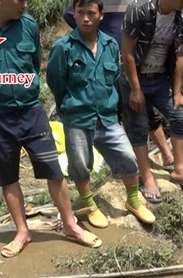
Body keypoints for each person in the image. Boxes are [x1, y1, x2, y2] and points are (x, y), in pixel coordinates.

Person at [0, 0, 102, 258]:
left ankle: (70, 225)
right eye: (20, 0)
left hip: (30, 110)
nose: (25, 4)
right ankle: (22, 231)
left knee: (53, 171)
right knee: (8, 176)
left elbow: (34, 66)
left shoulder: (28, 25)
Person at [47, 0, 156, 226]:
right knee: (80, 164)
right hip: (77, 118)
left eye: (91, 13)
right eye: (81, 13)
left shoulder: (110, 45)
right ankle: (90, 205)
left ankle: (133, 201)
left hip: (107, 117)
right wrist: (69, 105)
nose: (86, 18)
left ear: (101, 16)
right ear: (74, 15)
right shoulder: (63, 47)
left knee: (127, 156)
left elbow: (113, 78)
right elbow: (56, 83)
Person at [64, 0, 176, 172]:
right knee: (112, 110)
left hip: (131, 61)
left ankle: (166, 154)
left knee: (143, 108)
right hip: (102, 59)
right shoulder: (93, 3)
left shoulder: (136, 2)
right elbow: (71, 14)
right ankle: (116, 161)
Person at [119, 0, 183, 201]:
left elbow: (182, 54)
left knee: (180, 115)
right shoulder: (138, 10)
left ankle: (179, 169)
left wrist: (177, 92)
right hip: (135, 78)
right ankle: (146, 177)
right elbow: (127, 52)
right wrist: (136, 89)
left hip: (161, 79)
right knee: (139, 124)